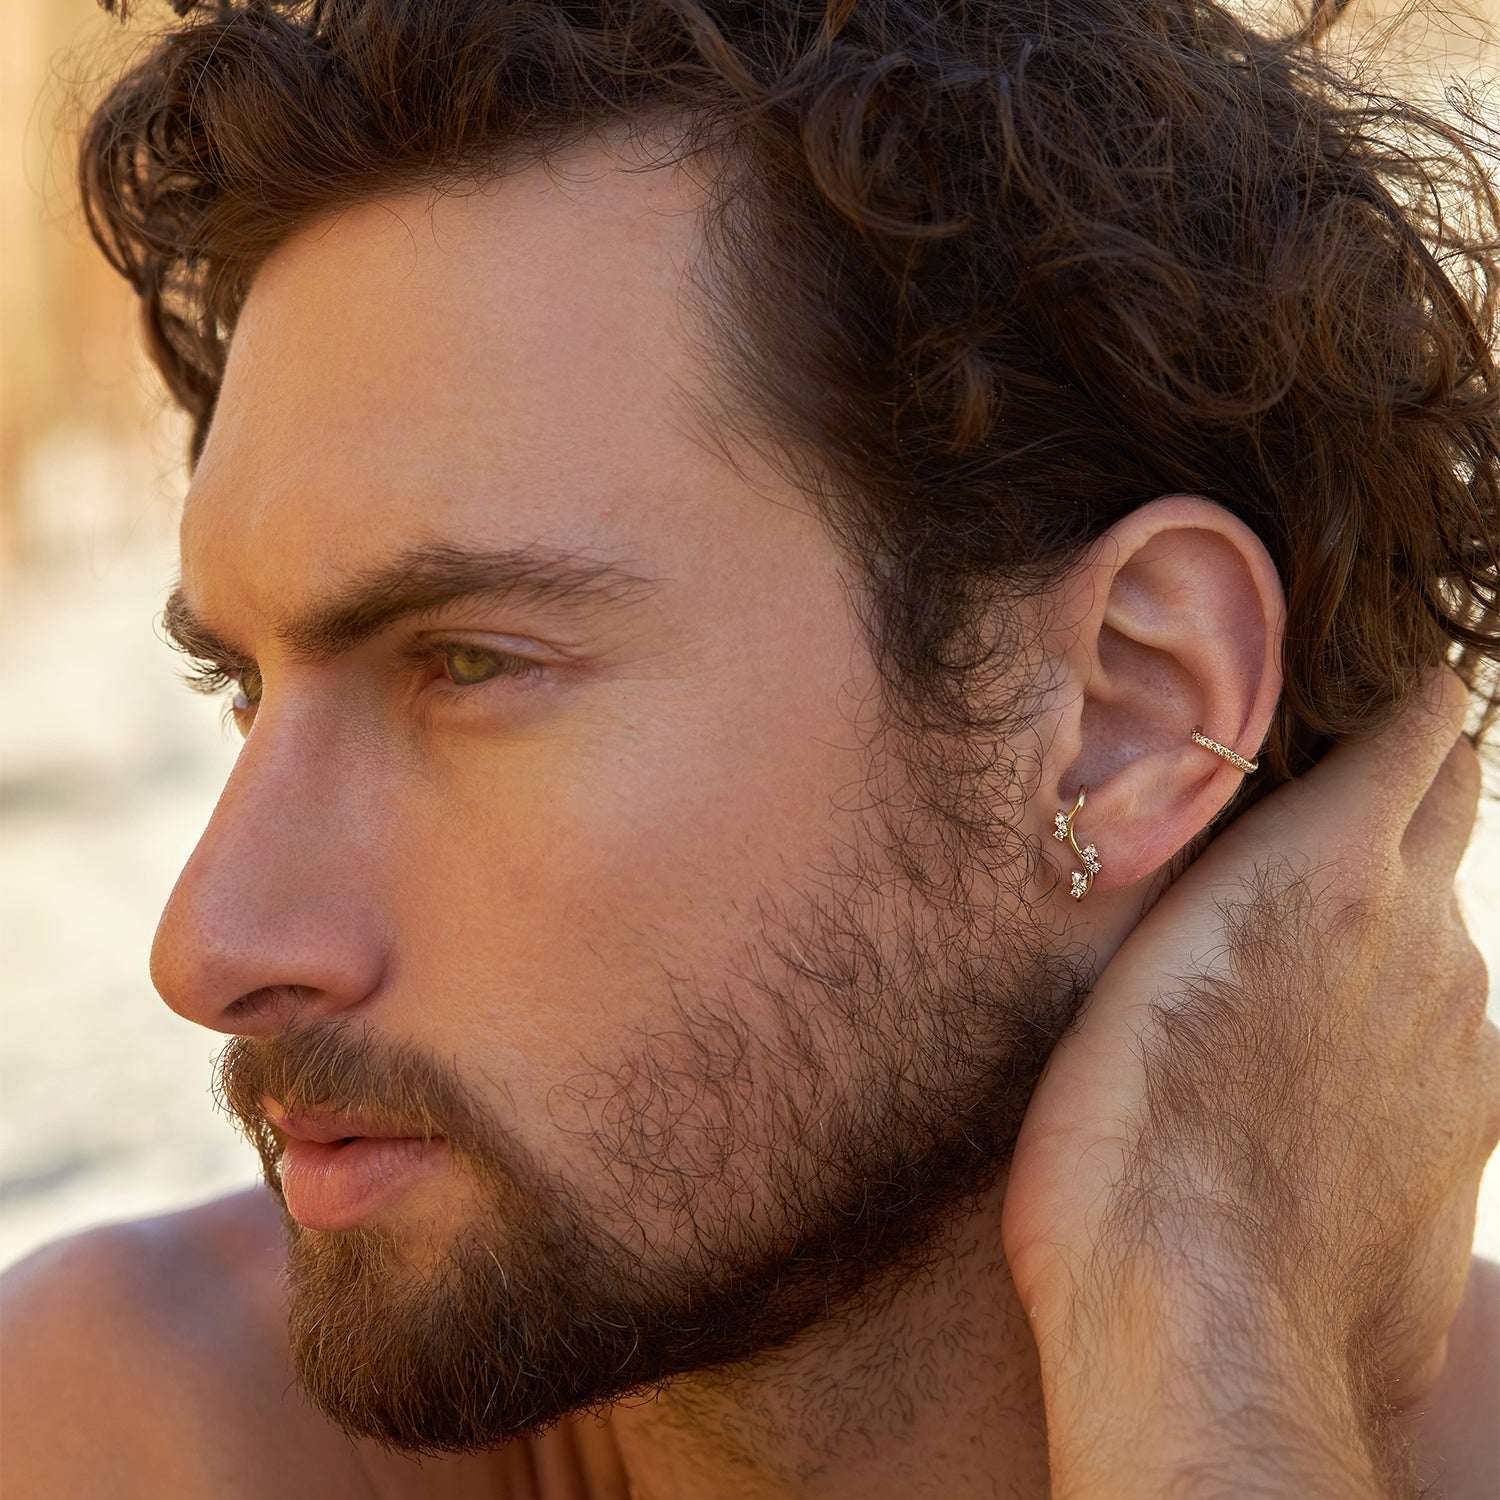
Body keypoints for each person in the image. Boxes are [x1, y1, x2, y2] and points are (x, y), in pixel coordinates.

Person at [3, 1, 1497, 1495]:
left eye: (469, 665)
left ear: (1126, 712)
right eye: (245, 688)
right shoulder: (115, 1431)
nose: (210, 948)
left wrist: (1203, 1331)